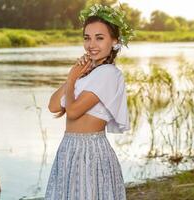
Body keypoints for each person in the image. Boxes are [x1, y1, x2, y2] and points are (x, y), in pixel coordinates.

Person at [45, 4, 133, 200]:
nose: (91, 44)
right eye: (87, 38)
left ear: (115, 41)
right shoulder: (86, 74)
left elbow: (74, 111)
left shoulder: (109, 74)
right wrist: (74, 77)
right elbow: (52, 106)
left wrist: (71, 78)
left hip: (89, 151)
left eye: (99, 38)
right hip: (69, 148)